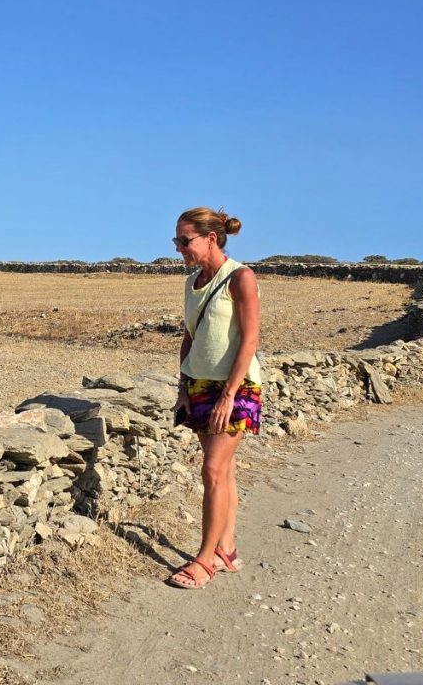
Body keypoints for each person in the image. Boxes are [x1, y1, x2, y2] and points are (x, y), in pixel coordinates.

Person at [167, 207, 262, 590]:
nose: (179, 249)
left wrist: (228, 395)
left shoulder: (240, 277)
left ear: (210, 238)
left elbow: (250, 338)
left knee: (212, 470)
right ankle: (226, 548)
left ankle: (204, 560)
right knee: (224, 471)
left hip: (236, 388)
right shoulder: (193, 282)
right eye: (176, 241)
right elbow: (189, 337)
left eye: (184, 241)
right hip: (200, 386)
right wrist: (182, 388)